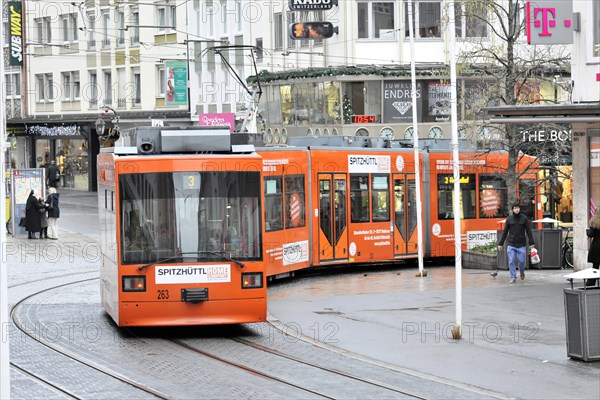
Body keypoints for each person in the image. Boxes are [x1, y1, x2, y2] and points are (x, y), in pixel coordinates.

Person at [498, 203, 535, 284]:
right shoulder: (509, 219)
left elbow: (528, 231)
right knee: (511, 261)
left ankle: (521, 272)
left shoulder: (524, 218)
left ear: (520, 209)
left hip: (521, 244)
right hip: (511, 244)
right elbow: (505, 232)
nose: (516, 209)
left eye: (518, 208)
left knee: (521, 261)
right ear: (513, 209)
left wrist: (531, 242)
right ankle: (513, 277)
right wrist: (500, 244)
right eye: (515, 208)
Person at [586, 210, 600, 286]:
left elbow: (591, 234)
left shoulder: (594, 221)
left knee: (595, 266)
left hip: (597, 245)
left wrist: (588, 231)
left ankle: (591, 283)